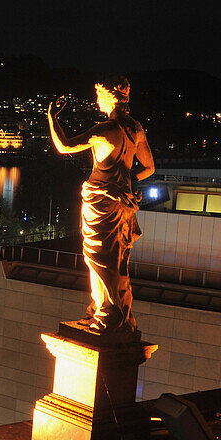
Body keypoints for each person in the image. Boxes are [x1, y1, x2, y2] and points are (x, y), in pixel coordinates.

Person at [47, 78, 155, 333]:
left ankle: (108, 312)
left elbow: (64, 146)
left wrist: (52, 118)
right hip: (122, 203)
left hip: (99, 200)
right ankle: (106, 309)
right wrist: (127, 183)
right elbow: (149, 168)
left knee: (97, 257)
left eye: (99, 97)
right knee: (115, 257)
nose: (96, 102)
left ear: (108, 99)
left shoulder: (104, 130)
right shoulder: (136, 129)